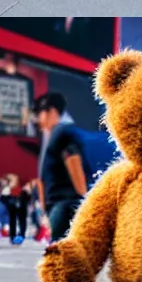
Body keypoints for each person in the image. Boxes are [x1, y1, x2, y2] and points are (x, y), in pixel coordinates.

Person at [33, 92, 89, 242]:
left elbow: (73, 160)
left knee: (61, 250)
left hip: (63, 204)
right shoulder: (51, 135)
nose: (38, 120)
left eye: (40, 114)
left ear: (52, 112)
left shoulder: (62, 133)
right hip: (57, 204)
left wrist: (83, 197)